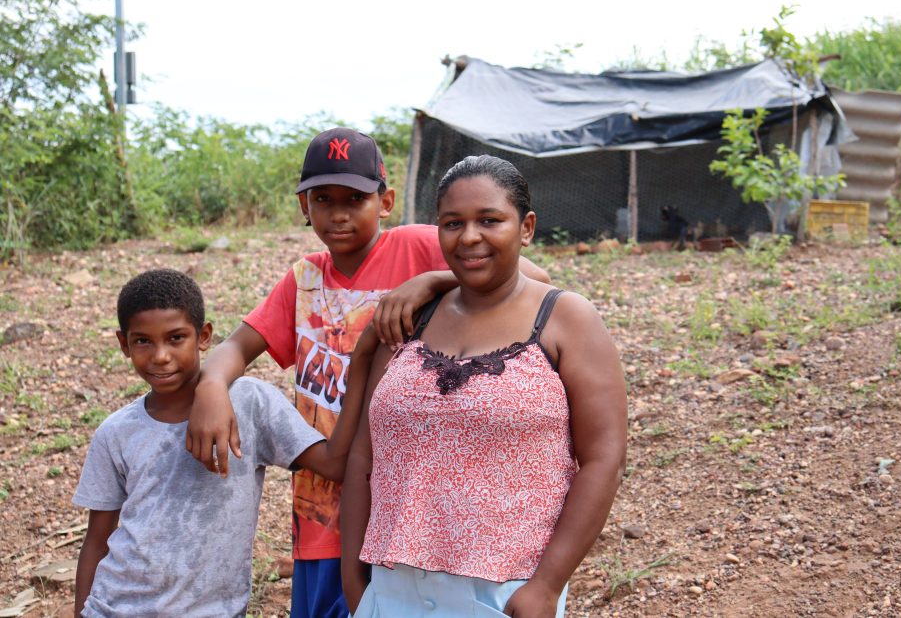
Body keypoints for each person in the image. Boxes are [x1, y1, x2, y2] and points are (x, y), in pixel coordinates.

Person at [185, 128, 549, 618]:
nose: (339, 213)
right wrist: (211, 384)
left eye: (355, 198)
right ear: (303, 205)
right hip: (320, 505)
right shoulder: (305, 280)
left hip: (402, 506)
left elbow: (533, 280)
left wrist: (431, 278)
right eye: (323, 198)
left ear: (385, 201)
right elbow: (236, 346)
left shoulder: (421, 245)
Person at [340, 155, 628, 617]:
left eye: (489, 220)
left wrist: (547, 586)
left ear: (526, 227)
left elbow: (604, 459)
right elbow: (363, 456)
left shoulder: (564, 319)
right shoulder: (410, 322)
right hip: (392, 587)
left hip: (503, 592)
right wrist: (353, 579)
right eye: (453, 223)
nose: (469, 236)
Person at [73, 269, 351, 618]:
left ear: (203, 337)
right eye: (143, 341)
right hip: (114, 607)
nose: (160, 356)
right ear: (123, 344)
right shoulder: (116, 432)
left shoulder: (250, 402)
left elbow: (334, 464)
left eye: (176, 338)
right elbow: (97, 540)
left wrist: (364, 366)